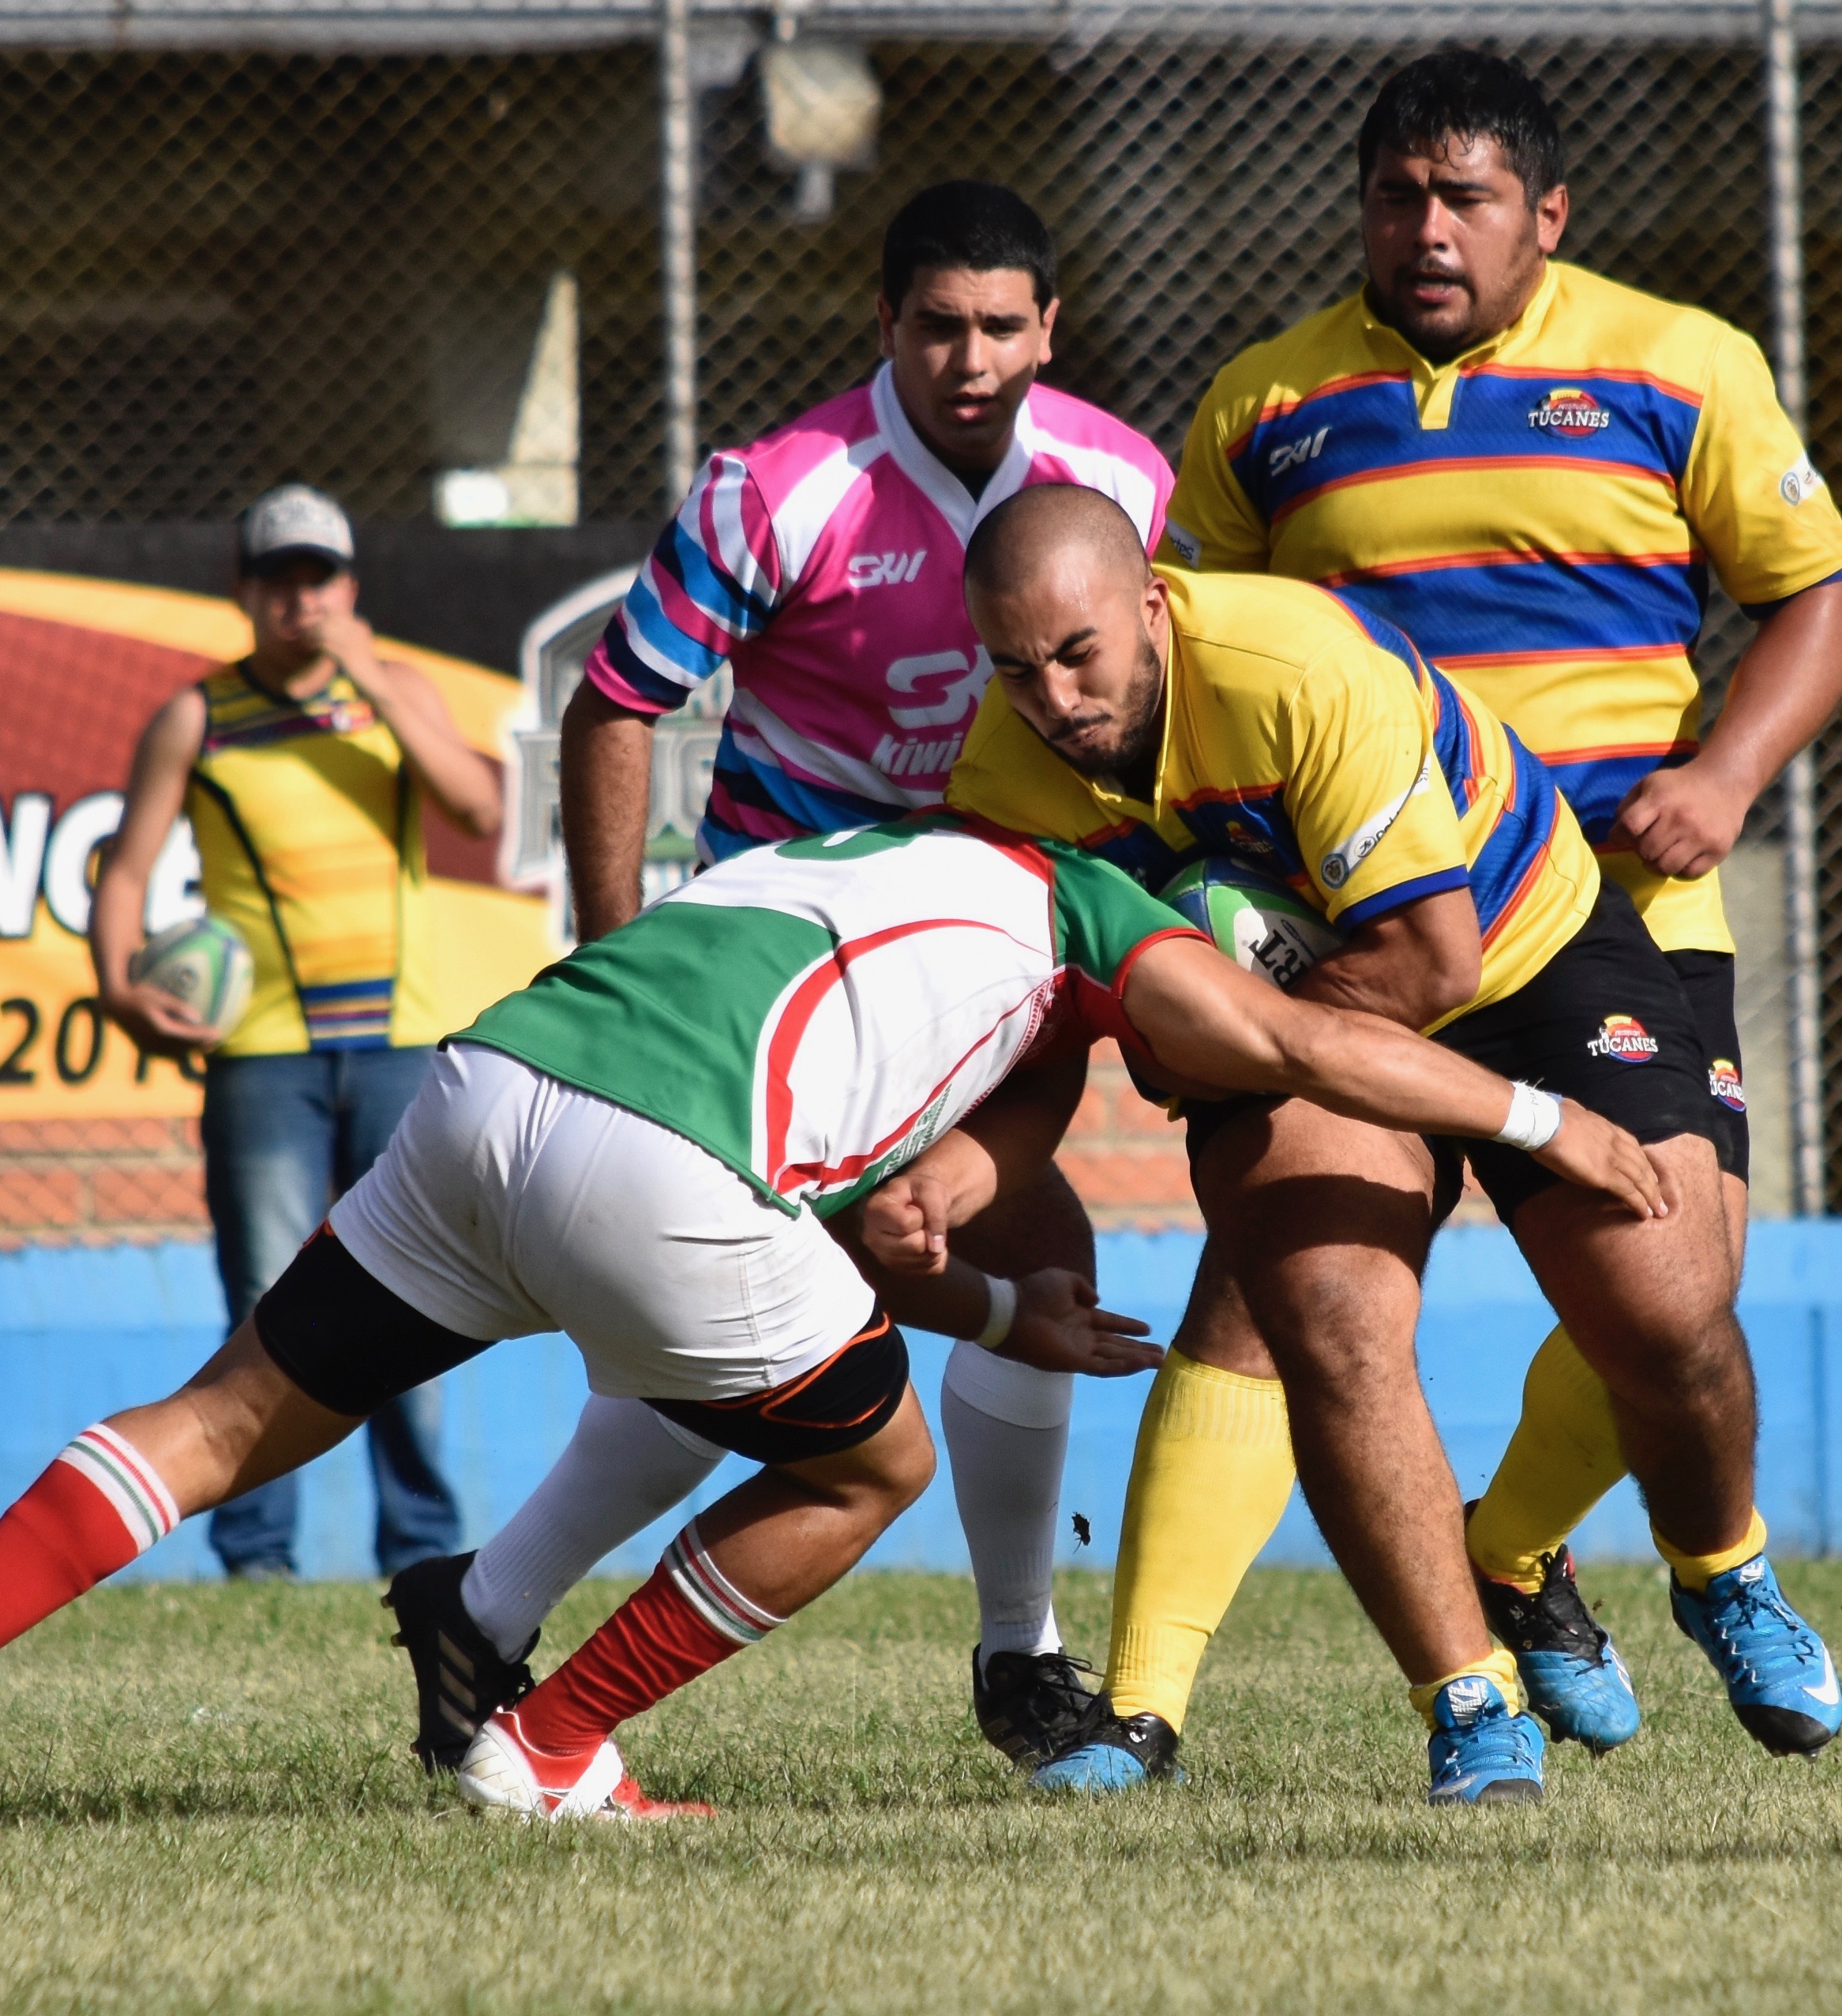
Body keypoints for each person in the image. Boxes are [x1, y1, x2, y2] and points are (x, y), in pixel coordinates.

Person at [0, 812, 1664, 1831]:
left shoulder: (883, 866)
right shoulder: (1090, 925)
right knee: (876, 1454)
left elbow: (859, 1232)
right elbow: (1282, 1031)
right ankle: (548, 1739)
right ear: (1171, 940)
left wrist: (1013, 1308)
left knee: (226, 1405)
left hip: (487, 1085)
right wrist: (1532, 1110)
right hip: (649, 1158)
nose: (1182, 1077)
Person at [385, 180, 1177, 1785]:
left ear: (1050, 329)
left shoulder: (1121, 480)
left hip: (996, 938)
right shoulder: (782, 488)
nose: (970, 357)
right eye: (937, 325)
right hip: (791, 962)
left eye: (1001, 326)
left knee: (976, 1263)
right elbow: (617, 704)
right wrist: (611, 955)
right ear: (883, 325)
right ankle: (1007, 1659)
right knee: (788, 1322)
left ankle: (485, 1606)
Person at [1156, 48, 1842, 1756]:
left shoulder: (1680, 363)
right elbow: (1198, 663)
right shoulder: (1263, 401)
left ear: (1546, 212)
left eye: (1464, 197)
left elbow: (1812, 596)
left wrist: (1728, 774)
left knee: (1674, 1295)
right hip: (1372, 933)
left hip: (1618, 905)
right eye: (1396, 196)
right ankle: (1130, 1703)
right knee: (1289, 1291)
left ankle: (1581, 1558)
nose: (1426, 229)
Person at [945, 484, 1834, 1794]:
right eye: (1014, 668)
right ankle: (1468, 1704)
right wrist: (965, 1175)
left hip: (1516, 950)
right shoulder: (1001, 782)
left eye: (1078, 652)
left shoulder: (1294, 670)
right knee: (1325, 1315)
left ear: (1150, 604)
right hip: (1296, 1020)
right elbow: (1046, 1032)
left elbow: (1431, 961)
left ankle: (1719, 1568)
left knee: (1668, 1296)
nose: (1053, 696)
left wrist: (1228, 1033)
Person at [91, 484, 500, 1582]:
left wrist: (371, 673)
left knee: (418, 1297)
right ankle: (254, 1554)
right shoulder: (200, 714)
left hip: (404, 1045)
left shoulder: (392, 691)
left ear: (350, 588)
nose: (299, 600)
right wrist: (119, 985)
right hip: (262, 1049)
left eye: (317, 578)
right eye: (278, 581)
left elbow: (479, 808)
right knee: (263, 1298)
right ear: (245, 593)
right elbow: (124, 867)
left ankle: (421, 1547)